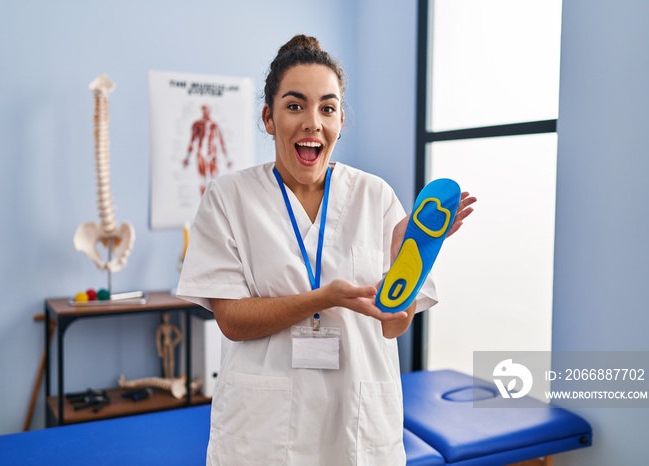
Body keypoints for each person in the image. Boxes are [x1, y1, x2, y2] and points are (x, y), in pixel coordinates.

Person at [177, 34, 476, 466]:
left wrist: (404, 270)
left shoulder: (376, 196)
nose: (312, 122)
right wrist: (323, 298)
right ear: (268, 117)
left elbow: (393, 327)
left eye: (328, 108)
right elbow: (233, 321)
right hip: (262, 432)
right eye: (295, 105)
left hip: (355, 426)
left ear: (339, 121)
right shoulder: (229, 197)